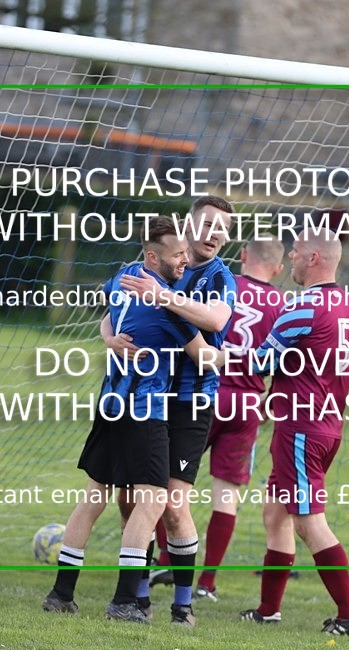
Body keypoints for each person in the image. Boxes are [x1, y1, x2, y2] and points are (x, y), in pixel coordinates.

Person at [42, 215, 222, 624]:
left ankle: (61, 593)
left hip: (110, 404)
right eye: (178, 255)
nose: (185, 261)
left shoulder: (125, 276)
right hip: (144, 411)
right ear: (153, 256)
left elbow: (107, 315)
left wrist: (108, 338)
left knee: (93, 496)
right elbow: (204, 356)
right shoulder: (166, 306)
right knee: (154, 500)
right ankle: (125, 601)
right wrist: (255, 360)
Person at [239, 226, 349, 635]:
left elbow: (261, 364)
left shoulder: (302, 309)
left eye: (295, 251)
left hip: (300, 431)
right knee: (275, 512)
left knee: (309, 522)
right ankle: (268, 610)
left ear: (314, 258)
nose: (290, 258)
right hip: (326, 431)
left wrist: (227, 345)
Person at [105, 195, 237, 626]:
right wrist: (110, 339)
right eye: (208, 223)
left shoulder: (220, 278)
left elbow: (216, 323)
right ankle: (138, 596)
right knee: (130, 499)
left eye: (223, 227)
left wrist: (164, 298)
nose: (215, 232)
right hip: (145, 398)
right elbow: (111, 305)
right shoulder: (159, 263)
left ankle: (183, 604)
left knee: (174, 505)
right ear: (190, 225)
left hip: (190, 402)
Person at [194, 236, 285, 602]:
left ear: (243, 255)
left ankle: (167, 560)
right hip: (246, 403)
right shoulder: (283, 305)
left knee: (171, 479)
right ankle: (206, 583)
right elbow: (286, 364)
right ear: (279, 269)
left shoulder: (221, 282)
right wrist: (270, 403)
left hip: (204, 393)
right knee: (226, 495)